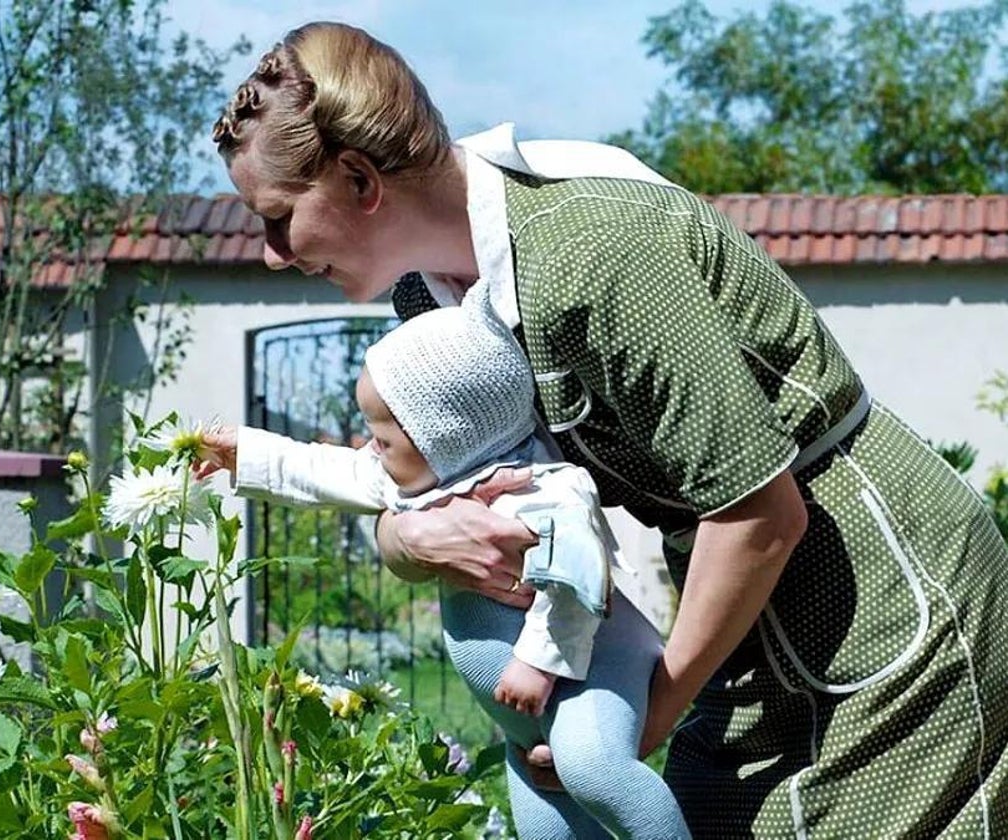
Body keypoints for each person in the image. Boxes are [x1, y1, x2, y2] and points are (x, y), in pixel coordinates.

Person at [212, 20, 1008, 838]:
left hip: (873, 588)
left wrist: (638, 722)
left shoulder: (594, 251)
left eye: (279, 218)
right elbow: (425, 484)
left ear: (357, 178)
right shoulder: (428, 304)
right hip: (735, 607)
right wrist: (405, 540)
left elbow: (760, 514)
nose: (272, 253)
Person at [197, 282, 692, 839]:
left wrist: (537, 662)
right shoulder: (426, 479)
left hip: (587, 673)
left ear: (443, 436)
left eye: (383, 438)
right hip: (526, 714)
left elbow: (576, 577)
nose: (370, 447)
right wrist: (244, 453)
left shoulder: (543, 489)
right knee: (544, 828)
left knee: (593, 767)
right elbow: (326, 471)